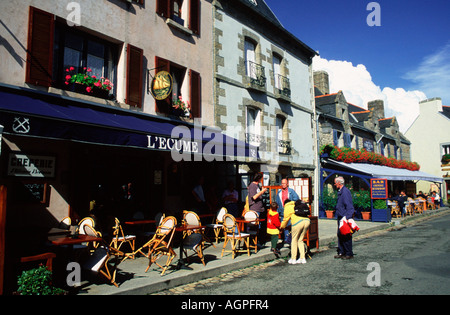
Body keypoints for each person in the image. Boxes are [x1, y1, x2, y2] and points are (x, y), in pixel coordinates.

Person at [280, 199, 310, 264]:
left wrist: (281, 227)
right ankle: (303, 258)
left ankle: (293, 259)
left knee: (294, 240)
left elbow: (285, 219)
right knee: (300, 240)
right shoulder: (296, 204)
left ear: (284, 204)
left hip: (297, 222)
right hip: (307, 221)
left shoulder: (287, 207)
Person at [334, 176, 355, 259]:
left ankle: (349, 253)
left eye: (335, 183)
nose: (335, 184)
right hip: (340, 216)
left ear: (339, 183)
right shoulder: (340, 191)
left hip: (344, 217)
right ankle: (342, 251)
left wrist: (347, 217)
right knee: (340, 234)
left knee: (346, 235)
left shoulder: (345, 192)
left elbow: (349, 205)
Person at [275, 178, 299, 242]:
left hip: (290, 211)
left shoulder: (291, 191)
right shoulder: (279, 192)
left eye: (284, 183)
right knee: (284, 226)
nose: (283, 185)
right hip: (282, 211)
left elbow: (296, 199)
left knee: (290, 225)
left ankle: (291, 239)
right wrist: (277, 212)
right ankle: (286, 239)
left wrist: (290, 205)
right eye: (282, 183)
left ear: (287, 184)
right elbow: (277, 202)